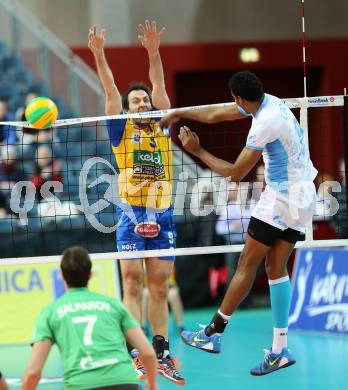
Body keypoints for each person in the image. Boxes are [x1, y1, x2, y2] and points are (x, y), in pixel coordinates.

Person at [161, 71, 317, 376]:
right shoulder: (270, 102)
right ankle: (279, 350)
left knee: (247, 261)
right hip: (304, 194)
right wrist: (179, 112)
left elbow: (235, 173)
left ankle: (212, 334)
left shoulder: (264, 123)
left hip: (282, 197)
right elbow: (220, 113)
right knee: (276, 268)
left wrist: (197, 151)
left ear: (239, 97)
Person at [88, 21, 184, 385]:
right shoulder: (119, 127)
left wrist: (154, 51)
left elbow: (158, 85)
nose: (143, 103)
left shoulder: (162, 125)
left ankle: (161, 351)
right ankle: (134, 350)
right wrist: (99, 54)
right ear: (127, 110)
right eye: (137, 101)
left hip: (163, 214)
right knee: (131, 283)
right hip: (130, 214)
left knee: (158, 287)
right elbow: (110, 89)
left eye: (145, 100)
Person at [22, 246, 159, 390]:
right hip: (125, 382)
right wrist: (152, 384)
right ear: (90, 275)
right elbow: (148, 353)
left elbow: (33, 373)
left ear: (61, 275)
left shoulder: (50, 312)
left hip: (82, 384)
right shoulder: (113, 305)